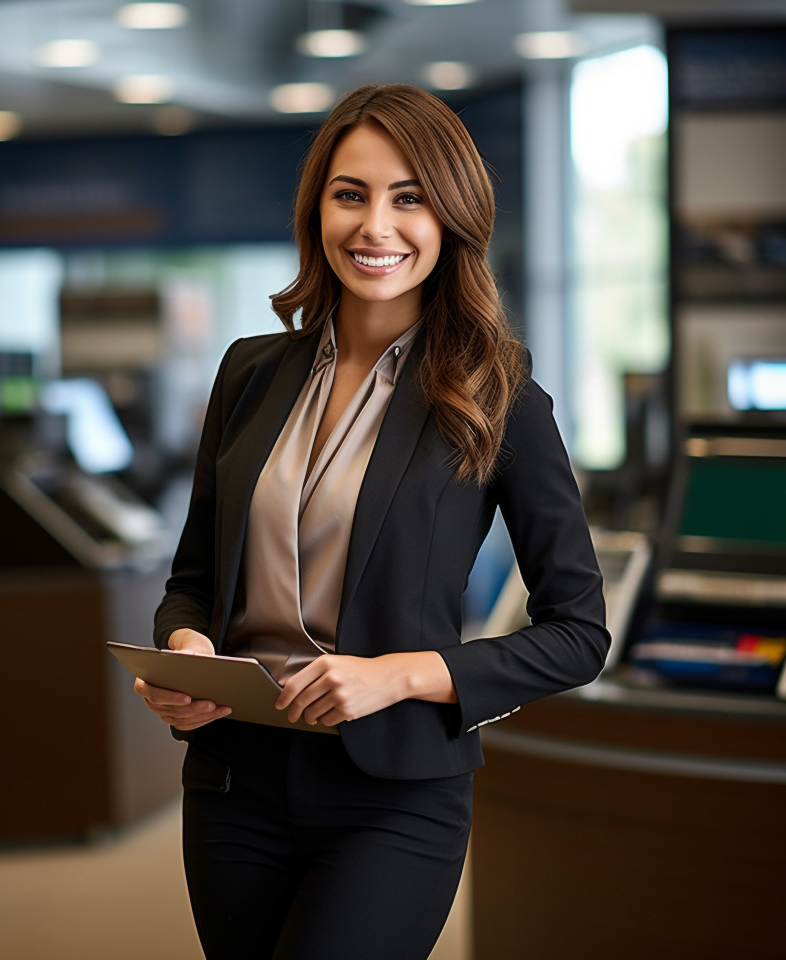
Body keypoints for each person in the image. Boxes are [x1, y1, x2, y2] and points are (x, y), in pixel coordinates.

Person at [136, 83, 609, 960]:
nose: (375, 226)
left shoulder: (499, 395)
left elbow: (578, 634)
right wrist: (187, 649)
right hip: (235, 783)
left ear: (452, 216)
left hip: (394, 796)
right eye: (350, 194)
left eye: (409, 198)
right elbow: (192, 581)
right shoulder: (248, 375)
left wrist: (398, 676)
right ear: (316, 208)